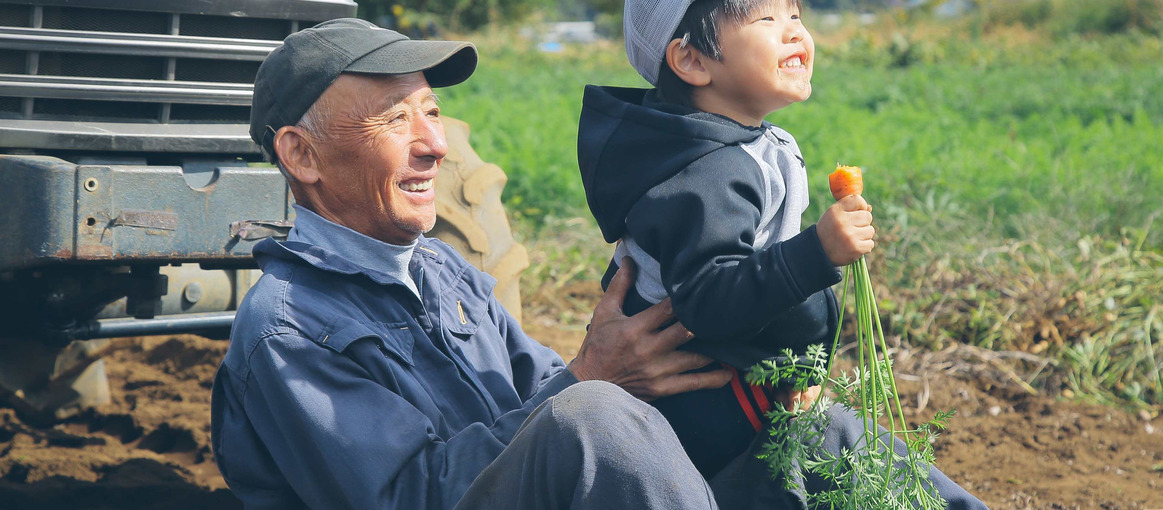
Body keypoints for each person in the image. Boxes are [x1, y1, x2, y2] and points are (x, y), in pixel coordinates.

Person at [211, 16, 985, 510]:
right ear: (301, 155)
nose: (436, 144)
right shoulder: (289, 331)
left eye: (433, 112)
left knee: (809, 432)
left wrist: (738, 390)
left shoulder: (441, 273)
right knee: (597, 419)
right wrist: (590, 383)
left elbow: (546, 392)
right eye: (394, 117)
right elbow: (406, 497)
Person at [577, 0, 989, 507]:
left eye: (795, 16)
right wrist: (816, 252)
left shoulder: (736, 146)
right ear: (692, 62)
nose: (795, 33)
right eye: (766, 19)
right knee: (862, 468)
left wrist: (795, 366)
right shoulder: (706, 173)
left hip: (732, 405)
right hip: (703, 421)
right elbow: (709, 301)